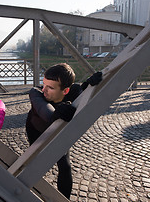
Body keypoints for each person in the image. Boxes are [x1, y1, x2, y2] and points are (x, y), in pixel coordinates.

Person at [25, 63, 102, 199]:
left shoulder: (73, 91)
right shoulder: (35, 93)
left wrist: (91, 86)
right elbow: (46, 111)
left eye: (50, 87)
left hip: (58, 131)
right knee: (35, 166)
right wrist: (57, 113)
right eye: (44, 84)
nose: (44, 90)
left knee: (65, 167)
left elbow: (81, 92)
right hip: (37, 131)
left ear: (65, 91)